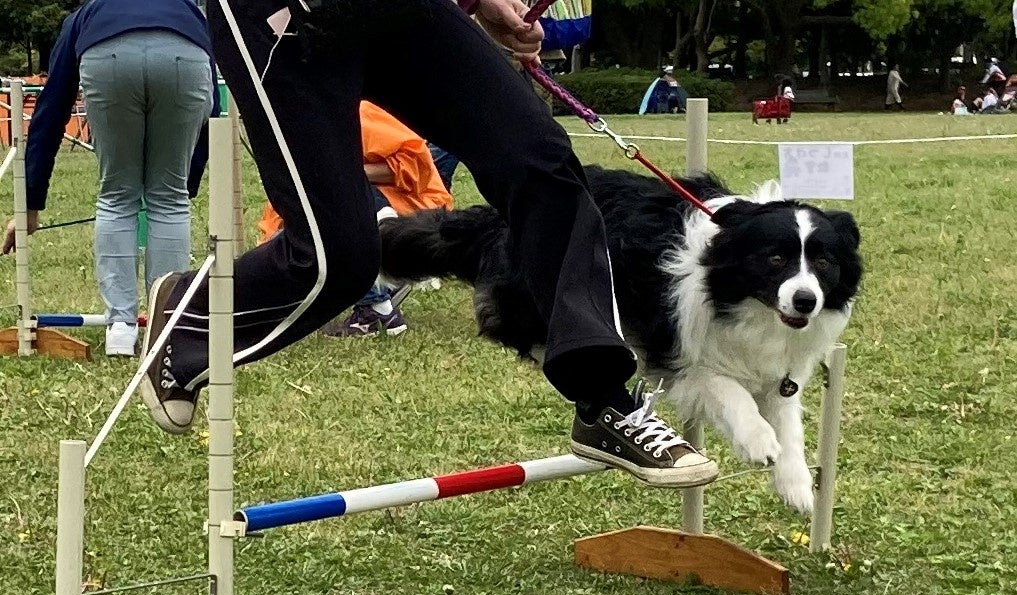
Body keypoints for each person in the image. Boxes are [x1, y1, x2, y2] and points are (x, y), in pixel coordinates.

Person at [139, 0, 719, 489]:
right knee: (338, 258)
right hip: (287, 17)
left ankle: (603, 400)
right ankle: (191, 317)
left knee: (538, 160)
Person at [1, 0, 219, 357]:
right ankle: (168, 326)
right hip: (185, 56)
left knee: (116, 196)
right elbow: (211, 112)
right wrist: (188, 183)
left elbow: (51, 111)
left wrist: (29, 204)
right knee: (170, 198)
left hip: (107, 57)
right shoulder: (188, 11)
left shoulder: (88, 13)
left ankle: (121, 328)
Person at [256, 100, 453, 337]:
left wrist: (342, 173)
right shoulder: (302, 126)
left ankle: (377, 306)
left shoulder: (357, 112)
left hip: (412, 207)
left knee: (335, 204)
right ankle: (383, 279)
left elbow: (413, 166)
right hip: (365, 208)